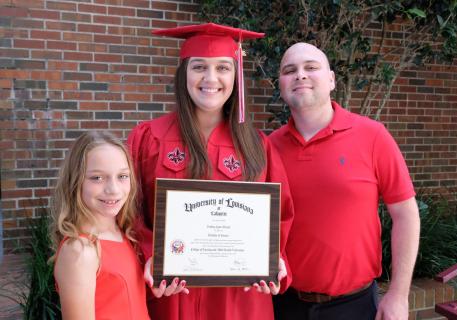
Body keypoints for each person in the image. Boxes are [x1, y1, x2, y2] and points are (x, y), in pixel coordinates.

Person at [127, 23, 295, 320]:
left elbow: (279, 216)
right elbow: (130, 212)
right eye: (199, 67)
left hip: (240, 301)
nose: (211, 78)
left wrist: (275, 261)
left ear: (236, 76)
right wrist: (151, 255)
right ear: (183, 74)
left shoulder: (257, 145)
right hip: (171, 295)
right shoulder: (149, 138)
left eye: (223, 68)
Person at [270, 42, 420, 320]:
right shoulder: (268, 148)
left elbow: (406, 215)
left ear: (331, 80)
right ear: (281, 84)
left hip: (355, 307)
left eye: (311, 67)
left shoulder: (373, 136)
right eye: (290, 70)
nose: (300, 75)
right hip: (284, 305)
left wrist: (398, 294)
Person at [51, 131, 150, 319]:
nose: (113, 189)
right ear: (75, 181)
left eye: (122, 176)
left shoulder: (123, 233)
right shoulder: (80, 251)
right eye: (97, 178)